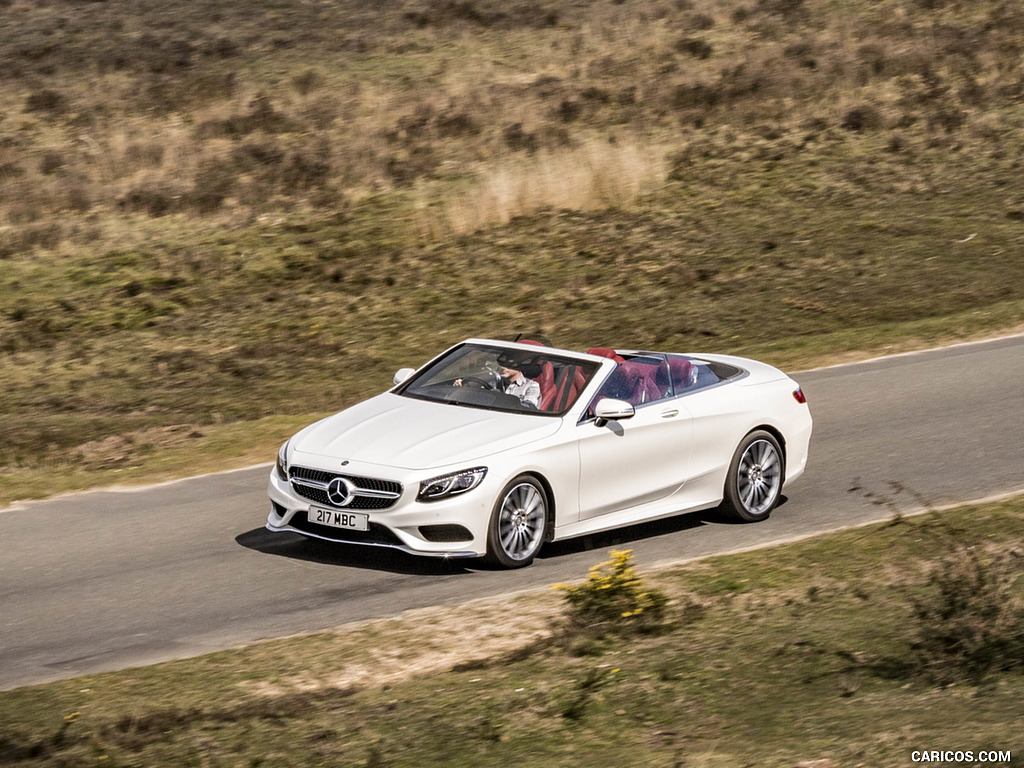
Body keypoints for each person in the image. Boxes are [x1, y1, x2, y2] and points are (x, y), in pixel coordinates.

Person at [454, 354, 541, 408]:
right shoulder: (492, 380)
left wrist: (501, 398)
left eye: (508, 364)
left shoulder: (531, 386)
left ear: (519, 367)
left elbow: (530, 407)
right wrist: (463, 387)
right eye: (501, 364)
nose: (503, 368)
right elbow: (476, 396)